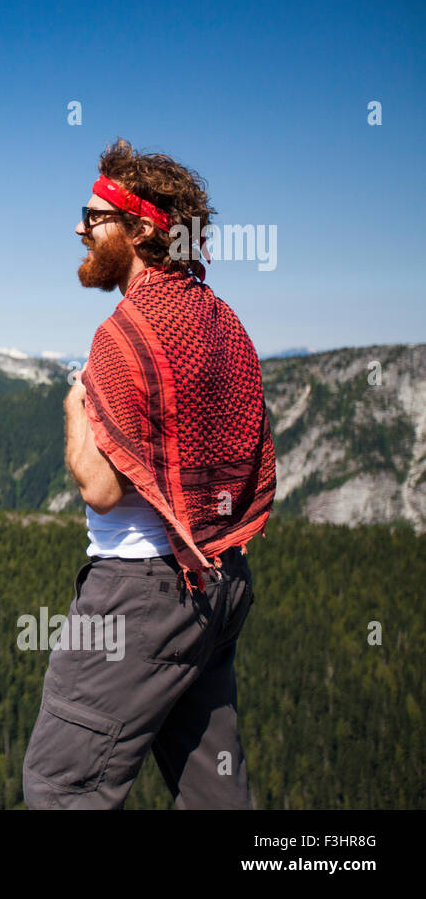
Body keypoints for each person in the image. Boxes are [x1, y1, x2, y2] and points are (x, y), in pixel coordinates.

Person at [22, 138, 276, 809]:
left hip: (139, 595)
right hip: (219, 581)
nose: (79, 227)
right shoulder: (222, 321)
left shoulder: (124, 333)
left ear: (140, 229)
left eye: (93, 214)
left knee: (61, 787)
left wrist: (76, 408)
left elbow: (102, 491)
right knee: (214, 791)